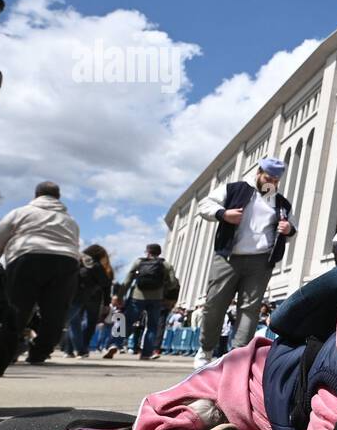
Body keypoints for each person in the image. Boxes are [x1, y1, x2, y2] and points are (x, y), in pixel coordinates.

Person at [193, 158, 297, 368]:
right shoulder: (236, 189)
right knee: (215, 304)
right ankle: (205, 350)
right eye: (268, 177)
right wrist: (223, 214)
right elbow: (204, 205)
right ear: (259, 172)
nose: (271, 182)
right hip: (229, 257)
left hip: (261, 261)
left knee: (250, 309)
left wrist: (288, 230)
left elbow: (292, 227)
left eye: (276, 180)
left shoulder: (281, 203)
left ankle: (238, 356)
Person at [0, 181, 81, 365]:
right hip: (66, 261)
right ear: (58, 198)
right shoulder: (70, 220)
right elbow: (75, 244)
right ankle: (40, 352)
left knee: (17, 307)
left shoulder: (21, 212)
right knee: (55, 311)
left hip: (28, 255)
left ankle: (7, 350)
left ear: (36, 195)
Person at [121, 243, 180, 361]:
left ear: (147, 252)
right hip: (156, 298)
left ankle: (116, 343)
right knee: (152, 326)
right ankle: (146, 353)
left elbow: (128, 279)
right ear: (159, 253)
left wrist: (120, 294)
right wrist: (164, 287)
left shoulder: (139, 262)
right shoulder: (165, 265)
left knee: (127, 321)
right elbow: (173, 282)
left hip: (137, 296)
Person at [66, 244, 114, 360]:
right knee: (88, 324)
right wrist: (107, 302)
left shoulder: (77, 261)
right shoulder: (100, 267)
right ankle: (82, 349)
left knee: (73, 323)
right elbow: (106, 285)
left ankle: (70, 350)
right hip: (91, 297)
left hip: (74, 295)